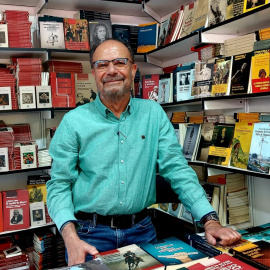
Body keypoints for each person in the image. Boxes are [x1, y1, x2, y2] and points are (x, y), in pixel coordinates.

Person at [46, 39, 241, 266]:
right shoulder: (73, 122)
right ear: (94, 72)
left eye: (120, 62)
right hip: (90, 235)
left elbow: (176, 168)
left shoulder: (153, 114)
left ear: (133, 69)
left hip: (143, 231)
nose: (111, 71)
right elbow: (59, 184)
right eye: (102, 64)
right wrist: (70, 238)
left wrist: (210, 220)